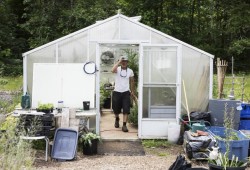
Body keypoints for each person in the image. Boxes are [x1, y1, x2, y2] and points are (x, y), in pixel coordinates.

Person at [111, 55, 134, 132]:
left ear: (127, 62)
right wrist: (119, 62)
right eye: (123, 61)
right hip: (117, 92)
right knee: (116, 109)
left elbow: (132, 81)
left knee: (126, 109)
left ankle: (124, 125)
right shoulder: (117, 69)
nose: (124, 63)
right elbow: (112, 70)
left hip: (126, 92)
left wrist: (132, 91)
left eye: (125, 61)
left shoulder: (130, 71)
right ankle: (117, 119)